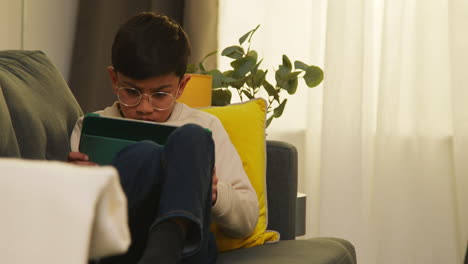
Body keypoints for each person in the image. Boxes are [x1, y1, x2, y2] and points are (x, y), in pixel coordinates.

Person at [68, 12, 258, 264]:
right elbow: (73, 222)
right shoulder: (92, 127)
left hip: (187, 254)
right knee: (145, 153)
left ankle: (166, 245)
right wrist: (72, 182)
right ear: (114, 80)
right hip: (121, 251)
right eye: (131, 92)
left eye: (159, 95)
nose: (145, 107)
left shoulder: (204, 125)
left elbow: (247, 219)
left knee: (192, 137)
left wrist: (214, 193)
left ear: (181, 86)